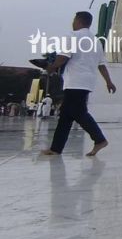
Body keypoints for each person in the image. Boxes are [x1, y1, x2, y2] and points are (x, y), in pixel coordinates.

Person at [41, 11, 116, 156]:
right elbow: (101, 65)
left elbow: (63, 57)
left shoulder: (72, 36)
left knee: (78, 112)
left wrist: (51, 68)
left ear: (79, 21)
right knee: (66, 115)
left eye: (74, 19)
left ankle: (99, 139)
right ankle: (56, 148)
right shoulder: (97, 41)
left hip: (75, 81)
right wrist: (108, 81)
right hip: (87, 81)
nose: (73, 22)